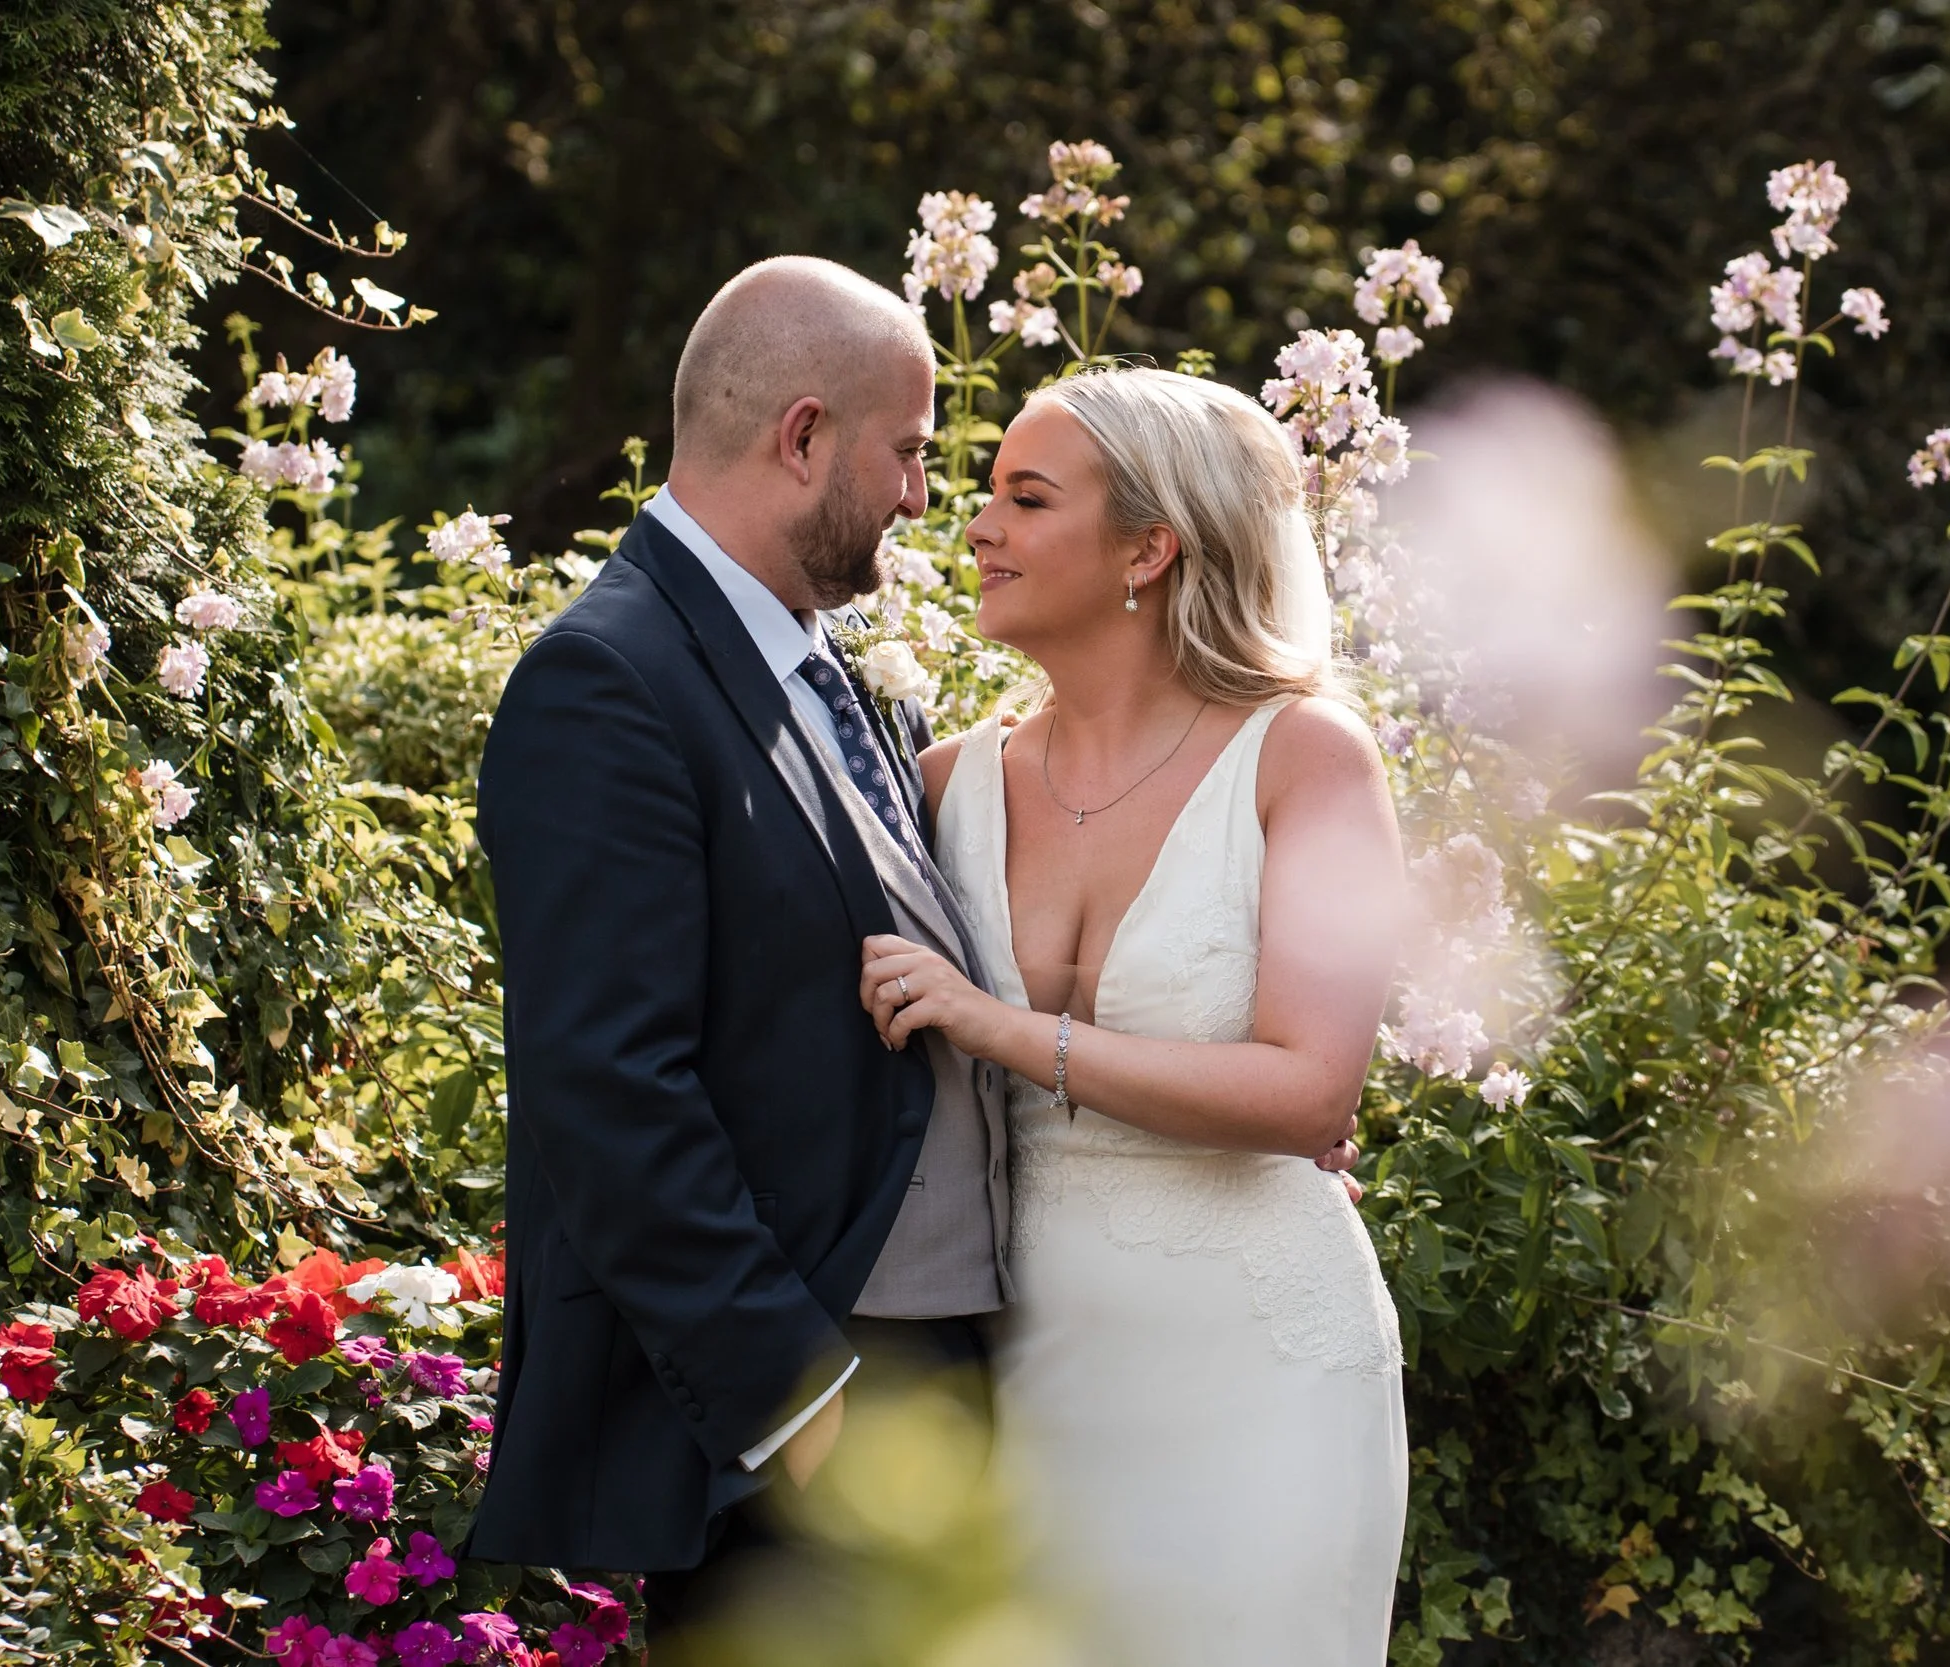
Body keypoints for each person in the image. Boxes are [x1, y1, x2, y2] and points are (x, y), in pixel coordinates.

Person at [464, 256, 1014, 1644]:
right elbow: (608, 1088)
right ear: (805, 435)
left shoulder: (816, 664)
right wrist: (803, 1405)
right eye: (909, 452)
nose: (921, 495)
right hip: (799, 1413)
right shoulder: (608, 677)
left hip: (926, 1369)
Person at [860, 365, 1411, 1666]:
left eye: (1027, 497)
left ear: (1149, 549)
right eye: (985, 493)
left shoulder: (1306, 760)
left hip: (1262, 1362)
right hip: (1027, 1364)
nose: (977, 525)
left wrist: (998, 1028)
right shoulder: (944, 783)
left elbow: (1311, 1091)